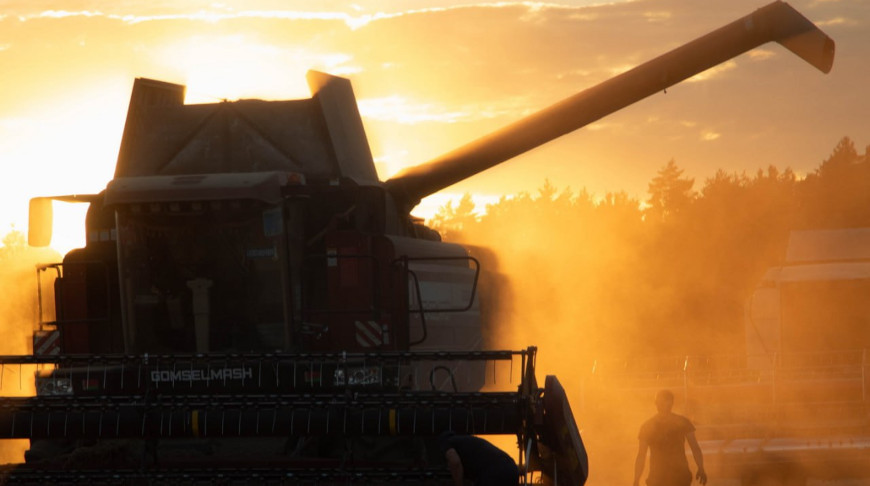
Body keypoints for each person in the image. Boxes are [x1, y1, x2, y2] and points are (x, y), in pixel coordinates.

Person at [633, 389, 707, 486]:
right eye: (660, 402)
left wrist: (701, 467)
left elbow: (695, 447)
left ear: (671, 403)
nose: (662, 405)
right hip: (660, 477)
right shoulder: (648, 426)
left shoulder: (681, 422)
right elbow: (641, 455)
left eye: (665, 401)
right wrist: (636, 479)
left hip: (677, 475)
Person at [439, 431, 519, 486]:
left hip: (494, 473)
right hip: (512, 469)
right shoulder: (467, 442)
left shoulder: (447, 442)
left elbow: (455, 462)